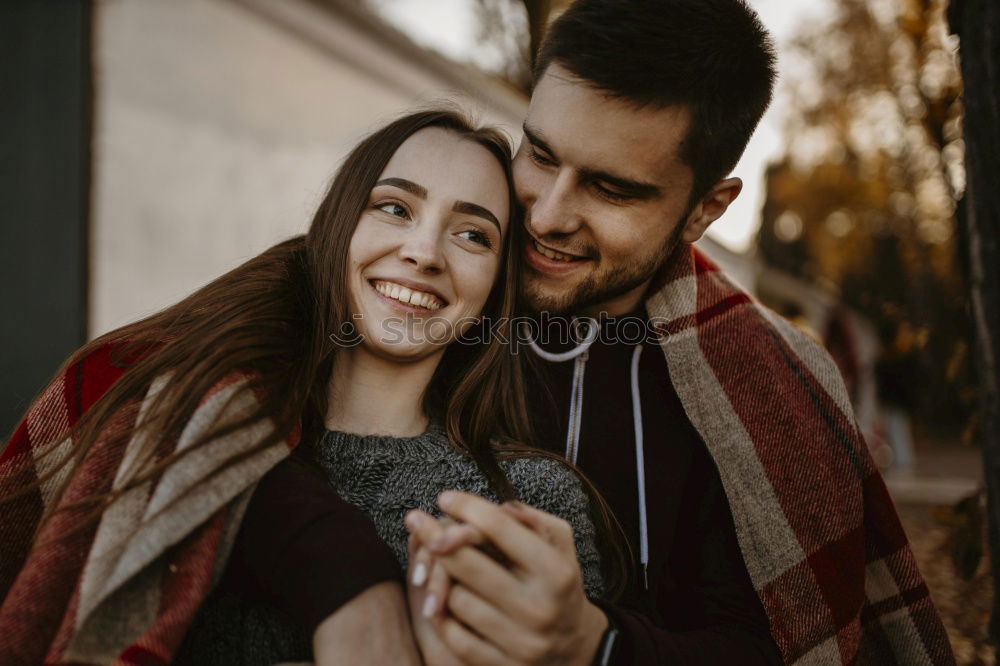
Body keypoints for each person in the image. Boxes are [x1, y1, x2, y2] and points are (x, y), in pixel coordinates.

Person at [397, 1, 955, 664]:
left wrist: (594, 645)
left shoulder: (772, 388)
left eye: (610, 189)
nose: (546, 216)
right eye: (540, 155)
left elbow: (777, 645)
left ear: (705, 209)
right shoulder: (403, 277)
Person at [0, 109, 624, 665]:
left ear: (496, 289)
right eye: (394, 207)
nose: (424, 252)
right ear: (336, 230)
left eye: (473, 235)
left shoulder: (530, 504)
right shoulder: (186, 433)